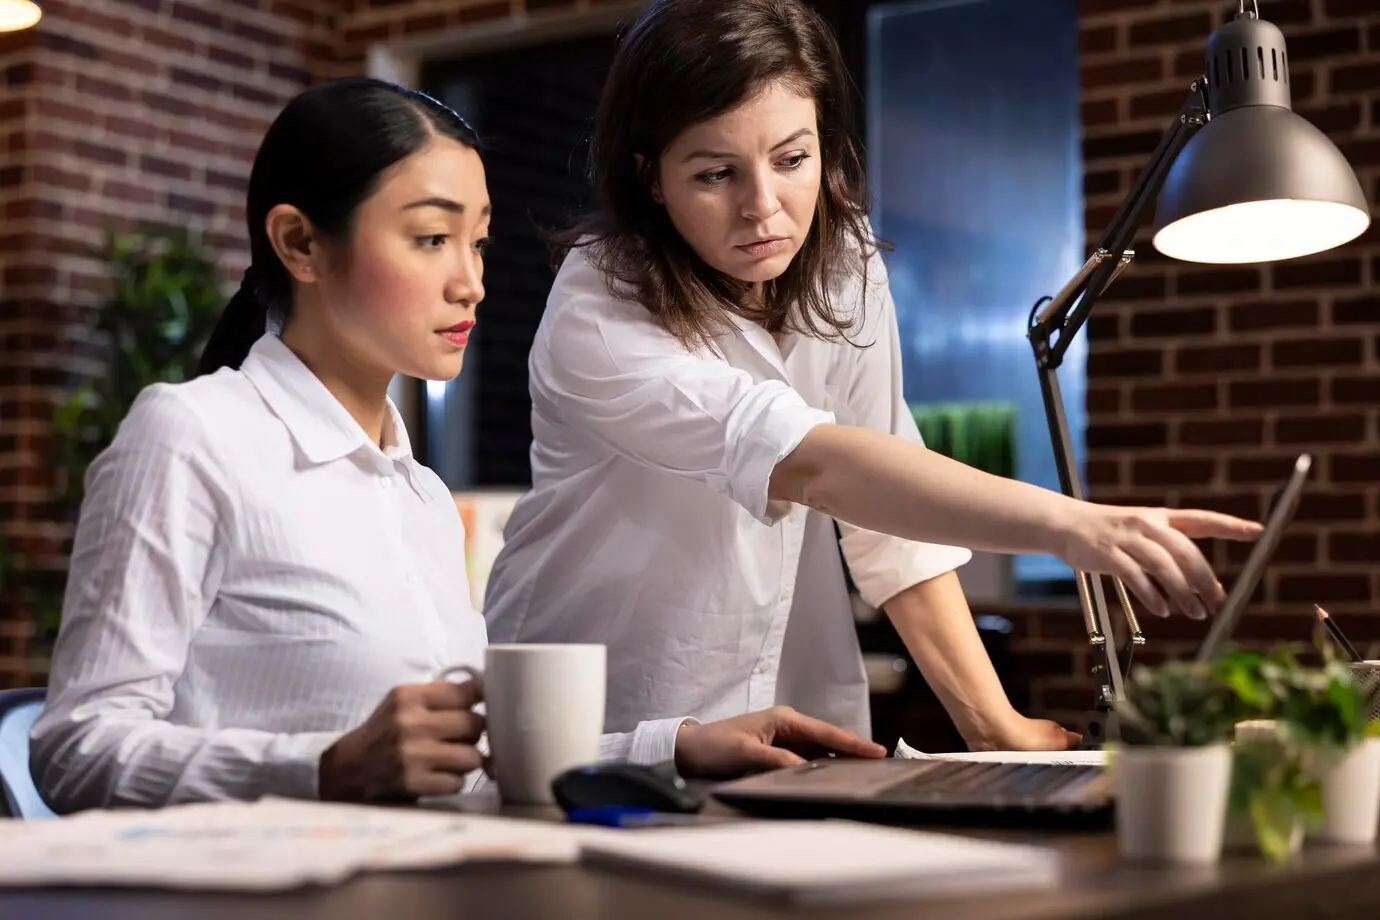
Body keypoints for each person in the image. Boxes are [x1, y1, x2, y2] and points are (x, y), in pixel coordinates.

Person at [30, 76, 884, 816]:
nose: (470, 280)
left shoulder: (418, 497)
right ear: (298, 243)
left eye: (478, 242)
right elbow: (74, 748)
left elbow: (475, 762)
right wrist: (322, 768)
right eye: (432, 238)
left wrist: (680, 745)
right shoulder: (193, 436)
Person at [482, 0, 1261, 753]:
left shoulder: (844, 264)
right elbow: (814, 464)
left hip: (795, 724)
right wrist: (1074, 526)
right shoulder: (600, 303)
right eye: (716, 174)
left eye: (792, 159)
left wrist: (995, 725)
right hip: (601, 726)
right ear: (652, 177)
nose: (765, 208)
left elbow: (888, 519)